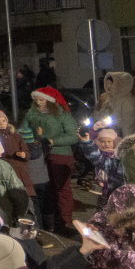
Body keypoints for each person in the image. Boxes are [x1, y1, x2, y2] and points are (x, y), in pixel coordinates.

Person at [25, 87, 79, 234]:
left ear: (50, 102)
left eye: (41, 100)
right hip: (40, 155)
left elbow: (73, 136)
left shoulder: (63, 116)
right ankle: (47, 219)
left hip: (59, 154)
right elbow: (26, 129)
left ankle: (64, 221)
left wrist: (52, 141)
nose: (38, 103)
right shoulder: (32, 114)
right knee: (44, 188)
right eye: (36, 100)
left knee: (61, 188)